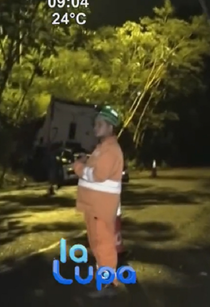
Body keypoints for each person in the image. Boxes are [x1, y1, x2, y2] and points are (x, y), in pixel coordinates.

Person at [72, 105, 124, 298]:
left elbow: (98, 175)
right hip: (94, 207)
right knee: (96, 244)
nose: (96, 127)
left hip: (101, 208)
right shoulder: (102, 149)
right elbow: (95, 168)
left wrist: (78, 167)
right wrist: (86, 160)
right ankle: (102, 278)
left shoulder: (110, 150)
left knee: (104, 244)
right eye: (96, 124)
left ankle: (109, 283)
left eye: (100, 124)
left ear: (110, 127)